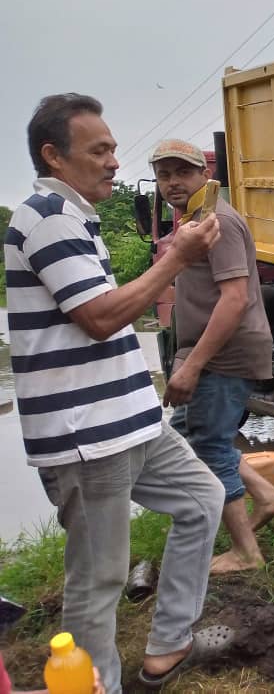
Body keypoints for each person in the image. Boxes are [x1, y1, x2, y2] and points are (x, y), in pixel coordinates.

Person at [6, 94, 228, 693]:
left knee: (203, 498)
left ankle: (169, 642)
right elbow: (100, 318)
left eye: (111, 149)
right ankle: (92, 683)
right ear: (54, 156)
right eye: (98, 150)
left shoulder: (77, 217)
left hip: (130, 420)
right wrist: (175, 259)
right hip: (88, 434)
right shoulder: (47, 215)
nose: (112, 161)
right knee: (99, 575)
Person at [151, 139, 274, 575]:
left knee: (208, 444)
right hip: (205, 353)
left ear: (203, 175)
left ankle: (246, 553)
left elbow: (234, 300)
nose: (173, 182)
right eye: (163, 174)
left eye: (182, 172)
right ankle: (266, 497)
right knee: (182, 439)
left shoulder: (218, 222)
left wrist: (192, 366)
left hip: (222, 355)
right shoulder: (194, 219)